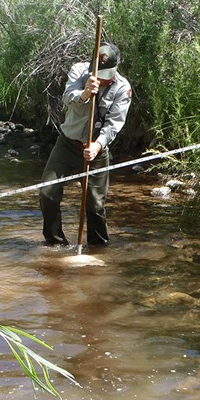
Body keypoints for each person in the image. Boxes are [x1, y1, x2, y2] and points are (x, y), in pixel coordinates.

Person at [39, 42, 132, 247]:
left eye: (106, 75)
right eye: (98, 73)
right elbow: (66, 98)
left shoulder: (123, 88)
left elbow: (113, 125)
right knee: (47, 193)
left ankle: (98, 250)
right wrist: (84, 94)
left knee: (95, 206)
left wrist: (97, 146)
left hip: (96, 151)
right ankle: (55, 244)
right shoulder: (79, 71)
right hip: (67, 144)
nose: (101, 78)